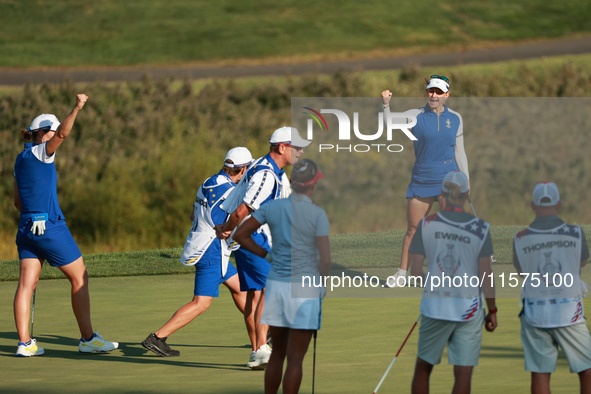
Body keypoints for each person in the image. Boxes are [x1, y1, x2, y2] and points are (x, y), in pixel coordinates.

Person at [13, 94, 118, 356]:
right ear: (44, 134)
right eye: (52, 132)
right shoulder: (42, 152)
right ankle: (88, 339)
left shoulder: (19, 159)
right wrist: (77, 107)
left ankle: (25, 344)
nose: (56, 135)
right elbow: (63, 134)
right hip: (49, 227)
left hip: (26, 227)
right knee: (79, 276)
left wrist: (34, 211)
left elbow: (17, 202)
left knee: (27, 283)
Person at [141, 147, 253, 357]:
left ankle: (262, 333)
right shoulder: (230, 193)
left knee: (239, 288)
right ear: (243, 169)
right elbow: (226, 227)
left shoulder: (209, 181)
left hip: (203, 245)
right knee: (201, 303)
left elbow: (194, 214)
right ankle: (157, 338)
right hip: (212, 251)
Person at [215, 126, 310, 369]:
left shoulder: (270, 169)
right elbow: (241, 211)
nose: (301, 151)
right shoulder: (266, 174)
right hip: (251, 238)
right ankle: (261, 349)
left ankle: (258, 350)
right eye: (296, 147)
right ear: (282, 147)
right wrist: (227, 227)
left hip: (252, 237)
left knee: (256, 293)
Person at [234, 159, 330, 393]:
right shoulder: (317, 214)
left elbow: (240, 234)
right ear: (311, 186)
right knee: (295, 358)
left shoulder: (272, 208)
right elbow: (325, 261)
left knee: (277, 353)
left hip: (277, 284)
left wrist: (266, 256)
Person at [409, 171, 496, 394]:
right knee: (463, 372)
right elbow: (486, 274)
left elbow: (416, 272)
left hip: (435, 307)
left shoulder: (426, 224)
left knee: (424, 367)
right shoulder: (480, 227)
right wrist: (492, 309)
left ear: (442, 193)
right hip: (468, 309)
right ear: (466, 194)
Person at [382, 75, 470, 286]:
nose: (434, 95)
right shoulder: (415, 114)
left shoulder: (456, 118)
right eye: (431, 91)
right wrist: (385, 105)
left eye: (439, 92)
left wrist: (466, 179)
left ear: (446, 95)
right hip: (422, 176)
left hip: (448, 177)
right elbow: (388, 124)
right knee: (414, 228)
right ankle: (402, 275)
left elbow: (460, 152)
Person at [512, 182, 591, 394]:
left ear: (532, 205)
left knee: (540, 372)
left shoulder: (519, 238)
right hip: (569, 312)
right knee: (587, 368)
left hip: (534, 311)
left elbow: (522, 271)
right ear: (559, 204)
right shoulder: (576, 233)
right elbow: (582, 261)